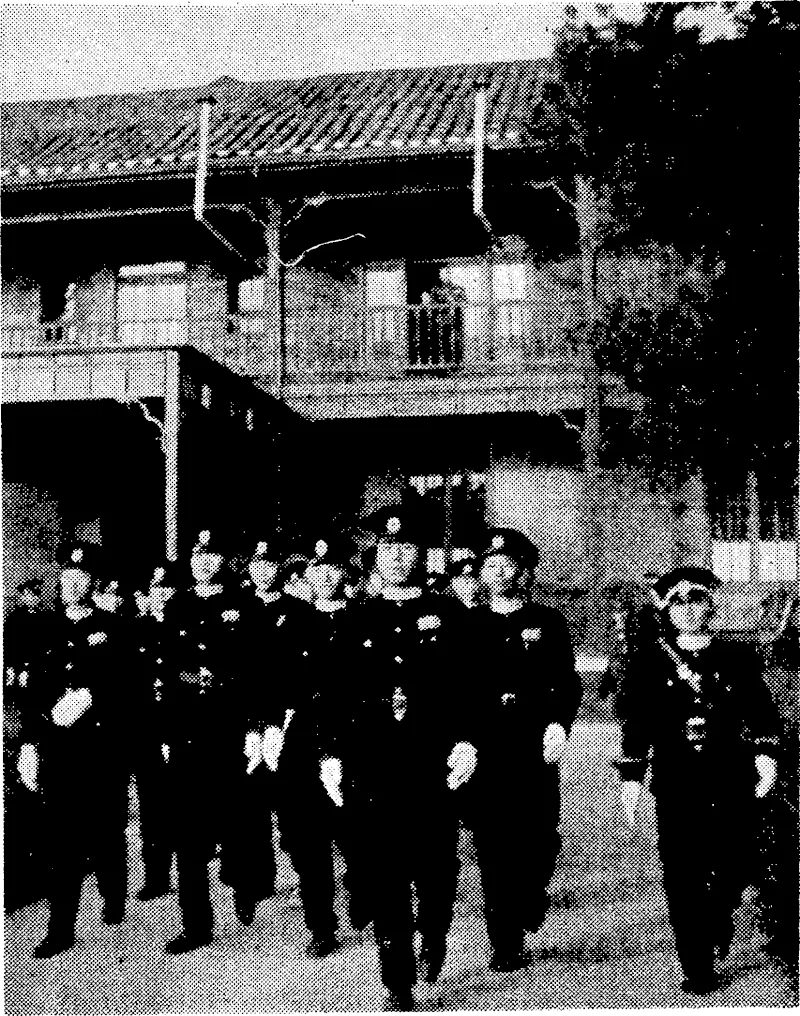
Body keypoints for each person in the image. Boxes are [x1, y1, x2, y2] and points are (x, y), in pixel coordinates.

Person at [322, 509, 478, 1010]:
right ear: (375, 555)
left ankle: (434, 934)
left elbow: (469, 688)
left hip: (431, 761)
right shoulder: (354, 617)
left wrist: (467, 741)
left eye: (404, 548)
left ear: (419, 554)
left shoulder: (449, 613)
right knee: (386, 871)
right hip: (372, 764)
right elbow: (333, 692)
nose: (394, 556)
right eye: (386, 549)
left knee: (436, 871)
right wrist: (329, 753)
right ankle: (398, 980)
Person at [615, 566, 781, 995]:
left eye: (698, 601)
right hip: (677, 782)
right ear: (666, 611)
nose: (689, 611)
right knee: (683, 871)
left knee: (733, 862)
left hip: (731, 777)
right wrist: (632, 777)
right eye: (678, 603)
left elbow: (761, 711)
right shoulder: (648, 662)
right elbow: (636, 722)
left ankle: (720, 916)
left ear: (711, 605)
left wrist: (766, 755)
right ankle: (697, 961)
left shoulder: (737, 657)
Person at [462, 528, 581, 973]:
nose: (498, 571)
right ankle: (504, 938)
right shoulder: (469, 623)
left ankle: (531, 896)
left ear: (524, 571)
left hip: (534, 744)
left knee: (540, 836)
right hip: (487, 746)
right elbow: (458, 688)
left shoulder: (548, 621)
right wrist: (464, 739)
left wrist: (557, 722)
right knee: (492, 843)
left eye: (507, 564)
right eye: (489, 564)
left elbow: (566, 682)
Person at [17, 544, 130, 959]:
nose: (71, 581)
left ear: (93, 582)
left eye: (80, 576)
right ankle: (60, 926)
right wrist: (29, 744)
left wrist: (92, 693)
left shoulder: (114, 628)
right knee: (62, 839)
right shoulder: (42, 629)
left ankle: (113, 888)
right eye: (65, 573)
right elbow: (31, 691)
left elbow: (126, 686)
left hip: (101, 751)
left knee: (105, 830)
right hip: (59, 748)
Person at [273, 533, 369, 957]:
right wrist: (267, 726)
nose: (324, 576)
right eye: (316, 569)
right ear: (306, 575)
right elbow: (270, 680)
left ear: (344, 574)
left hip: (354, 737)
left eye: (332, 569)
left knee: (356, 832)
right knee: (305, 836)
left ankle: (361, 890)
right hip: (303, 740)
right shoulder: (289, 622)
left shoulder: (363, 620)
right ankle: (321, 925)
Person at [158, 530, 249, 954]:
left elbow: (254, 671)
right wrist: (165, 729)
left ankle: (244, 893)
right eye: (197, 554)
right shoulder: (177, 606)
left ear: (223, 560)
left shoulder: (242, 605)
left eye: (212, 554)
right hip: (187, 735)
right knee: (188, 836)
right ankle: (195, 924)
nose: (203, 562)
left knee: (235, 828)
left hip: (228, 733)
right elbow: (166, 671)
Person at [218, 538, 312, 928]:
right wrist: (248, 728)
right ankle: (248, 886)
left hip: (287, 723)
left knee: (295, 814)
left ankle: (315, 906)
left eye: (270, 564)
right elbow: (227, 671)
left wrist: (279, 723)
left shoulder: (300, 612)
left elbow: (304, 675)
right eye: (256, 564)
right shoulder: (234, 610)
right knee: (244, 813)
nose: (262, 571)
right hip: (242, 725)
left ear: (280, 570)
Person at [130, 561, 180, 901]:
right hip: (146, 729)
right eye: (154, 590)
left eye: (167, 589)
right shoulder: (134, 632)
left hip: (183, 728)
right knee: (151, 805)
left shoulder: (187, 628)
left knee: (186, 801)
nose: (160, 596)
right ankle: (157, 874)